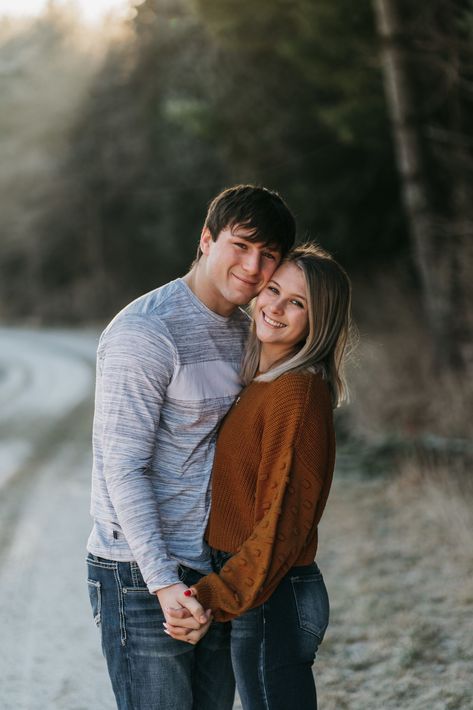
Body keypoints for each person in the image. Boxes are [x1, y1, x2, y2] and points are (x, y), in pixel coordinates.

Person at [85, 184, 296, 710]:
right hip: (140, 571)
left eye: (268, 255)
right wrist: (162, 583)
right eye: (241, 245)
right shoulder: (145, 332)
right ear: (206, 239)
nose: (253, 266)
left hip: (212, 569)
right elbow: (123, 468)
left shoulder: (247, 333)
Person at [165, 243, 352, 709]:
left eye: (297, 303)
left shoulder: (296, 392)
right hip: (258, 590)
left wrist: (213, 595)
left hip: (273, 595)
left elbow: (281, 525)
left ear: (319, 321)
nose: (275, 307)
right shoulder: (260, 383)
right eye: (273, 290)